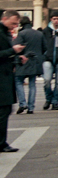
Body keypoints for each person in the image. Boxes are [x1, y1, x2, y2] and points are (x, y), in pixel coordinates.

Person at [0, 10, 28, 152]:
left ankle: (2, 142)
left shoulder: (4, 32)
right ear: (4, 18)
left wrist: (18, 58)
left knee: (5, 110)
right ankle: (1, 143)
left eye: (17, 24)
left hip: (5, 77)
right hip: (1, 79)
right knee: (4, 110)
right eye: (13, 23)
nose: (15, 26)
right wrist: (13, 51)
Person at [14, 16, 43, 115]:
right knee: (32, 84)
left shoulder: (21, 34)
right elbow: (45, 48)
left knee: (18, 81)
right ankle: (31, 107)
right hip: (35, 61)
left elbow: (17, 48)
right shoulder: (39, 34)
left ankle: (22, 103)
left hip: (23, 61)